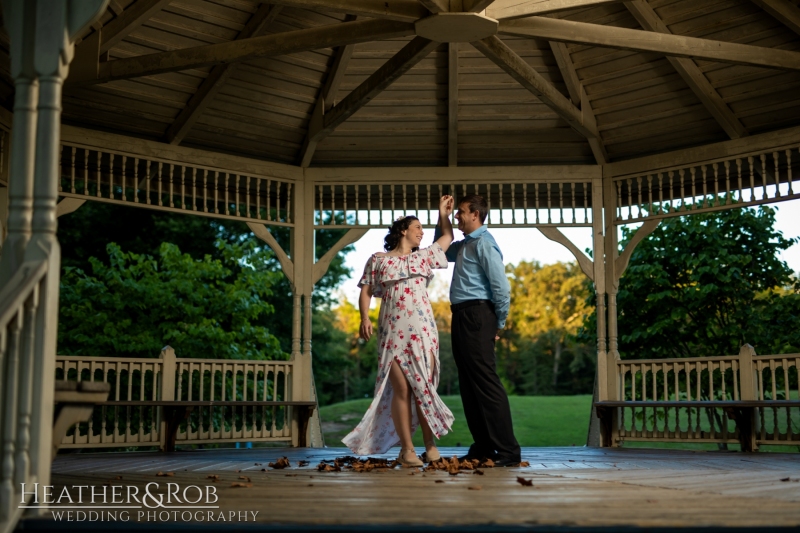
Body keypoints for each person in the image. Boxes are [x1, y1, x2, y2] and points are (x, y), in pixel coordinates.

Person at [343, 196, 456, 467]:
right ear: (403, 230)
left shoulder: (425, 257)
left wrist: (442, 214)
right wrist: (363, 318)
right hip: (392, 330)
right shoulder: (378, 260)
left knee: (422, 388)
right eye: (417, 227)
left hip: (423, 330)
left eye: (423, 229)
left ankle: (430, 446)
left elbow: (448, 237)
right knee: (402, 389)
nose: (422, 232)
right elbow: (367, 290)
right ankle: (407, 450)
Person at [433, 194, 521, 467]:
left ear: (476, 214)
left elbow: (501, 288)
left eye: (460, 213)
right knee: (469, 386)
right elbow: (440, 250)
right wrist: (443, 216)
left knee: (486, 383)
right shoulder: (463, 245)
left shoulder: (484, 244)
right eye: (456, 214)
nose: (457, 217)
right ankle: (483, 446)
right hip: (460, 315)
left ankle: (508, 452)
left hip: (478, 315)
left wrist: (499, 322)